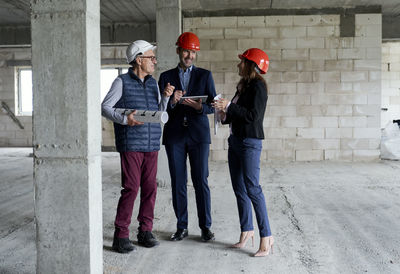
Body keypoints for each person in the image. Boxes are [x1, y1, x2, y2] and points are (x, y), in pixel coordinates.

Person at [101, 40, 172, 253]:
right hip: (131, 143)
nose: (155, 61)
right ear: (139, 60)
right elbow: (105, 107)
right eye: (151, 58)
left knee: (150, 188)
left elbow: (158, 111)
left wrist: (166, 99)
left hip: (151, 144)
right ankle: (121, 234)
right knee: (131, 188)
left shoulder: (153, 83)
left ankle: (145, 231)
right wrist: (124, 120)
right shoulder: (121, 82)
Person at [212, 48, 274, 256]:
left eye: (242, 62)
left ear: (250, 65)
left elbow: (253, 116)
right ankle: (247, 231)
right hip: (236, 141)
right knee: (239, 188)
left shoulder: (258, 87)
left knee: (253, 188)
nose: (238, 65)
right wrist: (222, 112)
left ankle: (267, 237)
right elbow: (235, 114)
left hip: (250, 143)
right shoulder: (243, 87)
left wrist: (229, 105)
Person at [158, 32, 216, 242]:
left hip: (198, 136)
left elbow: (213, 106)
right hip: (175, 136)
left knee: (201, 180)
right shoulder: (165, 77)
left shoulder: (205, 76)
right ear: (178, 51)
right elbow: (161, 108)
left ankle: (205, 227)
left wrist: (201, 107)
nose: (189, 56)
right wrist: (172, 101)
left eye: (193, 52)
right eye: (186, 51)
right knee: (178, 182)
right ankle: (181, 226)